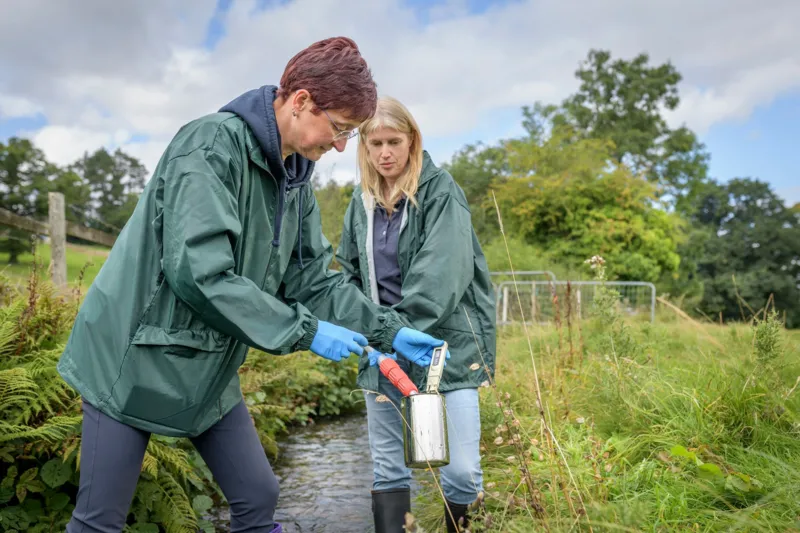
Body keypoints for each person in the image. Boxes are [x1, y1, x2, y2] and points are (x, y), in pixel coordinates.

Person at [56, 38, 447, 533]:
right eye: (341, 128)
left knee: (258, 497)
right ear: (302, 101)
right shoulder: (209, 146)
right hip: (129, 355)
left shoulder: (296, 178)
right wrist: (306, 333)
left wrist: (388, 330)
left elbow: (310, 279)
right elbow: (201, 274)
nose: (344, 146)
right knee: (101, 519)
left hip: (207, 363)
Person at [335, 96, 497, 533]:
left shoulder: (441, 192)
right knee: (389, 471)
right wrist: (363, 332)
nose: (384, 152)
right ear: (364, 147)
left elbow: (440, 279)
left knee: (461, 471)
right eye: (375, 144)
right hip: (382, 354)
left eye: (394, 141)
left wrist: (390, 332)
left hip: (447, 349)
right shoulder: (361, 201)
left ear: (412, 142)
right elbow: (347, 272)